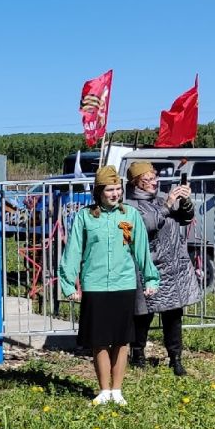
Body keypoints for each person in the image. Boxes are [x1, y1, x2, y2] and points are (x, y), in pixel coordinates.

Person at [62, 166, 158, 405]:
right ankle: (104, 390)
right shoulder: (85, 217)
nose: (115, 194)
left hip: (123, 284)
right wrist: (68, 284)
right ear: (98, 192)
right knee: (99, 339)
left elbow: (141, 249)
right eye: (110, 190)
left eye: (118, 189)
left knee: (122, 339)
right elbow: (73, 251)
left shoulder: (129, 216)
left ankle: (117, 390)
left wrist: (150, 278)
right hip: (95, 285)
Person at [124, 161, 201, 376]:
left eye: (154, 177)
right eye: (146, 180)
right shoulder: (130, 206)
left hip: (174, 266)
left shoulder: (161, 199)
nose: (153, 182)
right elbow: (146, 225)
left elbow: (185, 218)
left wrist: (185, 202)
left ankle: (175, 358)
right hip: (150, 267)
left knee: (173, 314)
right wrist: (167, 205)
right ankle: (137, 353)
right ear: (135, 183)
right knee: (143, 314)